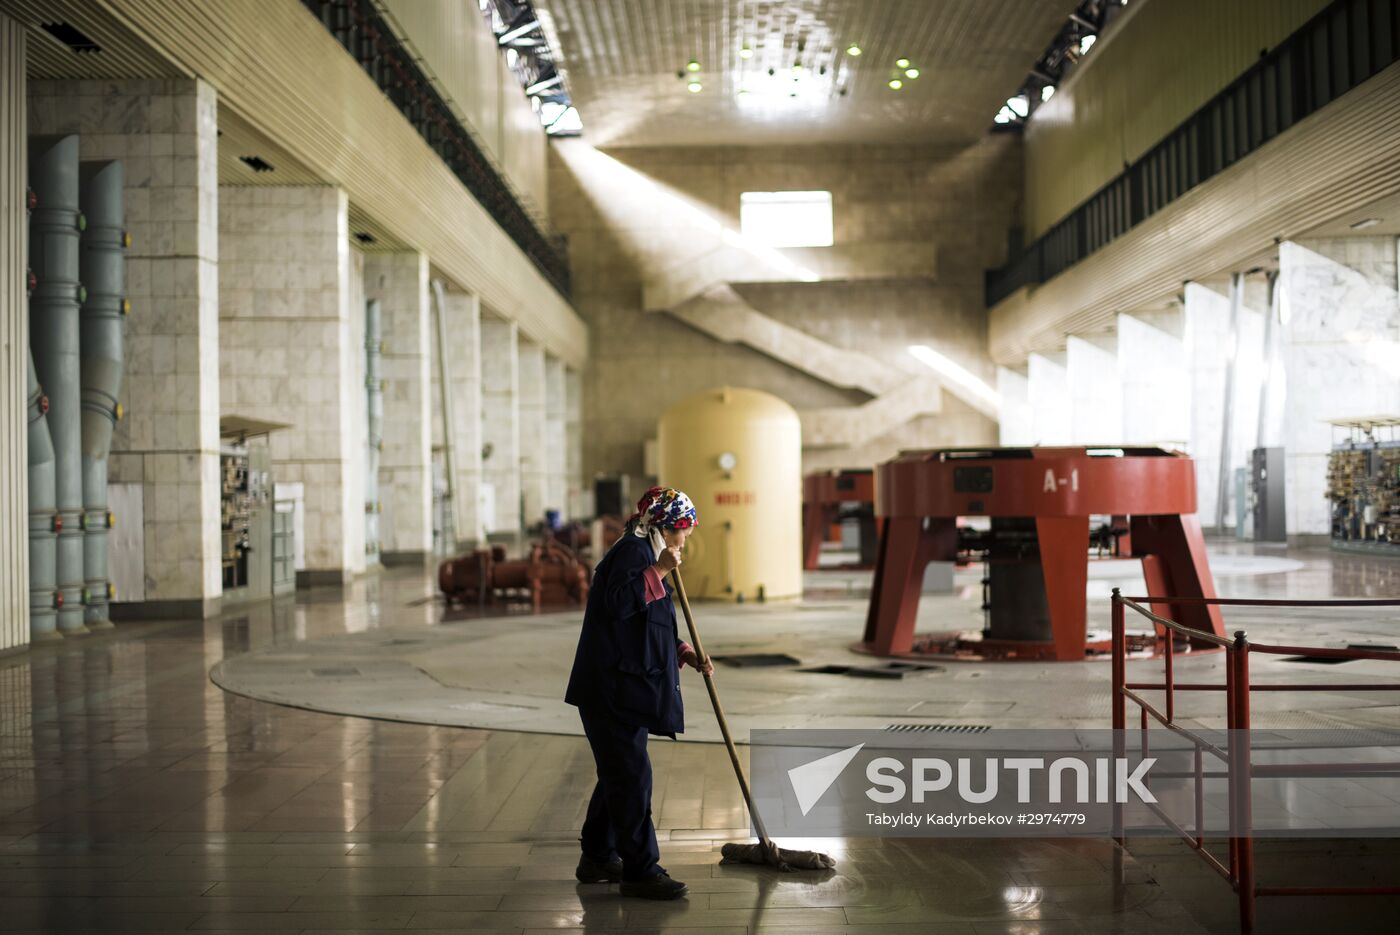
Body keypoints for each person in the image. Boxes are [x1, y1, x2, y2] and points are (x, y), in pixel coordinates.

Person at [564, 486, 713, 900]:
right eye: (682, 530)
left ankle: (596, 857)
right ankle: (641, 870)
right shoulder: (633, 552)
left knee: (620, 773)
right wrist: (660, 572)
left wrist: (683, 651)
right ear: (662, 526)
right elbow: (616, 604)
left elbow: (653, 617)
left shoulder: (646, 552)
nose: (686, 539)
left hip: (623, 685)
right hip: (610, 688)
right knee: (631, 777)